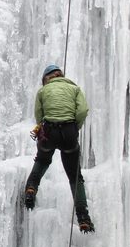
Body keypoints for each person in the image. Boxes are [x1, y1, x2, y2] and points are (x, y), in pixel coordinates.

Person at [24, 64, 95, 232]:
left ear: (46, 78)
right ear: (60, 75)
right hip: (69, 132)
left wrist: (42, 127)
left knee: (42, 159)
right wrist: (75, 126)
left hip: (49, 131)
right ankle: (83, 217)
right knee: (75, 177)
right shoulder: (74, 89)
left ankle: (31, 189)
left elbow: (39, 114)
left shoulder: (42, 91)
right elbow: (83, 110)